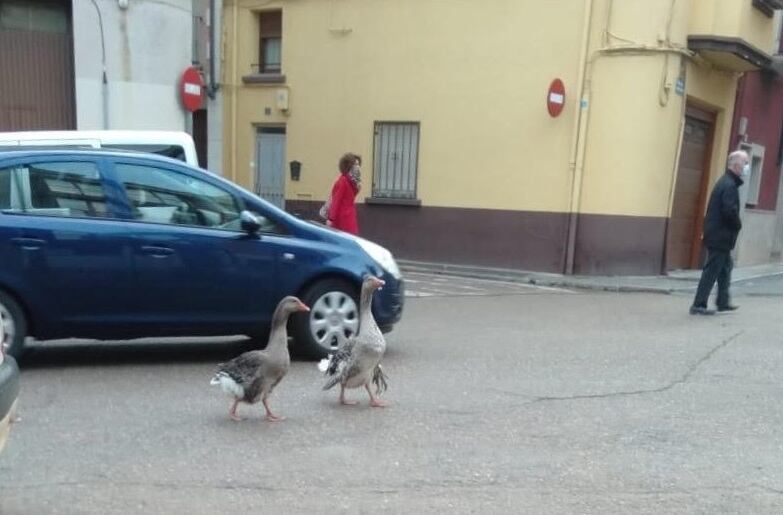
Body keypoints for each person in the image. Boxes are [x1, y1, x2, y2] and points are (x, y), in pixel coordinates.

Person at [689, 150, 749, 315]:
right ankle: (698, 305)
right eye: (745, 163)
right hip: (720, 236)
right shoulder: (728, 185)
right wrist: (738, 224)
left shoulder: (727, 182)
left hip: (719, 235)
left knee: (725, 268)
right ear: (736, 165)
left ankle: (722, 301)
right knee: (712, 270)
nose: (746, 167)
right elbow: (728, 211)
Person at [326, 153, 361, 235]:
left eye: (358, 164)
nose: (358, 167)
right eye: (355, 164)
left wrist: (357, 188)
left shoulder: (352, 181)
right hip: (342, 219)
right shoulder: (344, 180)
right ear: (348, 165)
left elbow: (349, 197)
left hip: (348, 216)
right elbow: (336, 200)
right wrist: (331, 219)